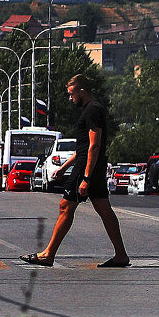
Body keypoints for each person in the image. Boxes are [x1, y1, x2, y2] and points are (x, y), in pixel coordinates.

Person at [20, 74, 130, 268]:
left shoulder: (93, 110)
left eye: (72, 94)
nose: (70, 99)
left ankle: (48, 254)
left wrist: (86, 176)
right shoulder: (91, 109)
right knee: (104, 208)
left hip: (87, 168)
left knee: (65, 206)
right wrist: (64, 167)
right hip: (89, 166)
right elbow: (83, 147)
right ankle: (121, 255)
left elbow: (94, 146)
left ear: (82, 91)